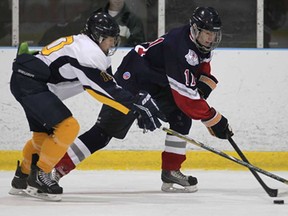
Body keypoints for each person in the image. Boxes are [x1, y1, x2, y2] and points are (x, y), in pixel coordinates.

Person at [51, 6, 233, 193]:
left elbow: (202, 66)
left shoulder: (200, 43)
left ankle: (171, 170)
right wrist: (214, 119)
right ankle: (56, 169)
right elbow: (186, 98)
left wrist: (202, 85)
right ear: (195, 29)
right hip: (134, 77)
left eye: (214, 34)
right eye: (207, 33)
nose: (211, 38)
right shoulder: (179, 47)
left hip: (158, 82)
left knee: (181, 117)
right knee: (103, 133)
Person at [9, 12, 163, 201]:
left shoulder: (89, 47)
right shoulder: (87, 52)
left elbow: (111, 86)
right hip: (31, 84)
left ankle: (21, 176)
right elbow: (101, 90)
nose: (113, 44)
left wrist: (132, 107)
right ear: (98, 37)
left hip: (29, 81)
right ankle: (40, 175)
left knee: (43, 137)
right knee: (68, 126)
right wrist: (135, 104)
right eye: (110, 40)